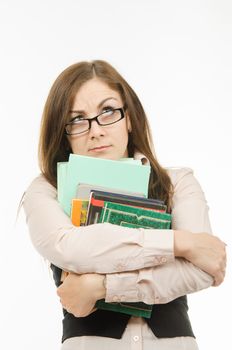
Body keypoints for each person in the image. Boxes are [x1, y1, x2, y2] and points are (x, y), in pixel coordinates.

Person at [23, 60, 226, 350]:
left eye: (107, 111)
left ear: (129, 118)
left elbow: (202, 270)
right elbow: (72, 248)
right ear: (63, 133)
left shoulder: (177, 182)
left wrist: (102, 287)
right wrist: (180, 243)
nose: (95, 131)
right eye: (77, 119)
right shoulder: (46, 190)